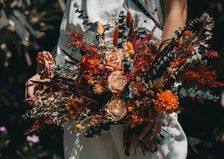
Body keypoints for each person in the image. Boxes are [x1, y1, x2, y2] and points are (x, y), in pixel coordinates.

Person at [25, 0, 188, 158]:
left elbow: (176, 10)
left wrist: (159, 84)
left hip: (140, 83)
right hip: (78, 88)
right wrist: (51, 68)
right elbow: (74, 21)